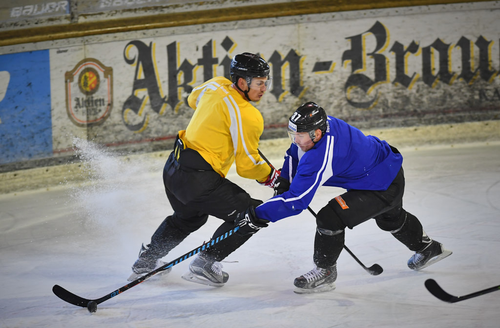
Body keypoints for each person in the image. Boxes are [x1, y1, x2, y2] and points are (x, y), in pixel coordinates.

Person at [244, 101, 452, 293]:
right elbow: (295, 155)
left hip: (381, 184)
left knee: (330, 217)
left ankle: (325, 272)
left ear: (317, 134)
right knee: (390, 218)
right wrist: (286, 181)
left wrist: (258, 214)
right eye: (293, 135)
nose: (296, 141)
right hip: (386, 168)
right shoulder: (321, 128)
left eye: (300, 136)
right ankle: (429, 248)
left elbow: (298, 201)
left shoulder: (323, 153)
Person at [129, 52, 279, 287]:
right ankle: (206, 263)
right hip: (198, 181)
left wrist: (216, 120)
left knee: (188, 218)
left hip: (173, 168)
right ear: (242, 82)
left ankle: (146, 261)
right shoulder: (249, 115)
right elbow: (248, 165)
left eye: (265, 82)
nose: (264, 88)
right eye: (260, 83)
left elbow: (192, 100)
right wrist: (272, 177)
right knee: (252, 213)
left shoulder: (215, 84)